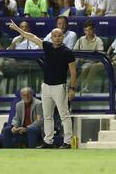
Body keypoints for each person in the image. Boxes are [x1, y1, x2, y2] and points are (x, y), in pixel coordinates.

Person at [8, 19, 77, 149]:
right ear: (51, 37)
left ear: (63, 37)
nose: (57, 38)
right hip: (46, 86)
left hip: (60, 86)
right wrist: (18, 30)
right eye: (55, 36)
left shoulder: (67, 52)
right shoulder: (47, 46)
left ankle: (67, 142)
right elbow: (32, 37)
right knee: (47, 115)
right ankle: (48, 141)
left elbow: (73, 72)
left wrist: (72, 89)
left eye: (59, 36)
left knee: (64, 114)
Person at [80, 19, 116, 93]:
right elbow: (111, 46)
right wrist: (107, 55)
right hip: (113, 57)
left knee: (113, 65)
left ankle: (113, 86)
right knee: (95, 66)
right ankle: (87, 88)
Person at [73, 20, 104, 93]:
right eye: (86, 30)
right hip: (80, 61)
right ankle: (71, 86)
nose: (88, 32)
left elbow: (99, 55)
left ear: (93, 30)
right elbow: (74, 51)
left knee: (85, 68)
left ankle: (81, 87)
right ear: (84, 31)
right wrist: (77, 59)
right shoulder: (81, 39)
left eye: (90, 29)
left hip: (91, 62)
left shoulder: (98, 41)